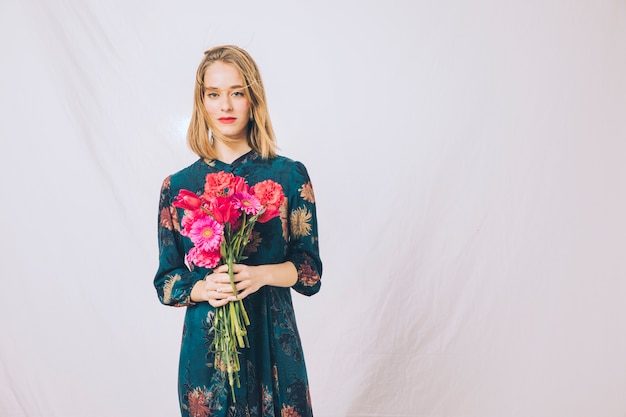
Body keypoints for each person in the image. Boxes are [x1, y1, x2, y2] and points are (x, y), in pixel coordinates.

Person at [154, 45, 322, 417]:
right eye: (214, 94)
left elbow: (309, 271)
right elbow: (166, 281)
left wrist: (262, 275)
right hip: (207, 352)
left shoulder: (289, 176)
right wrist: (202, 287)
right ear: (202, 102)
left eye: (236, 92)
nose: (225, 106)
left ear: (252, 98)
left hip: (272, 342)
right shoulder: (179, 186)